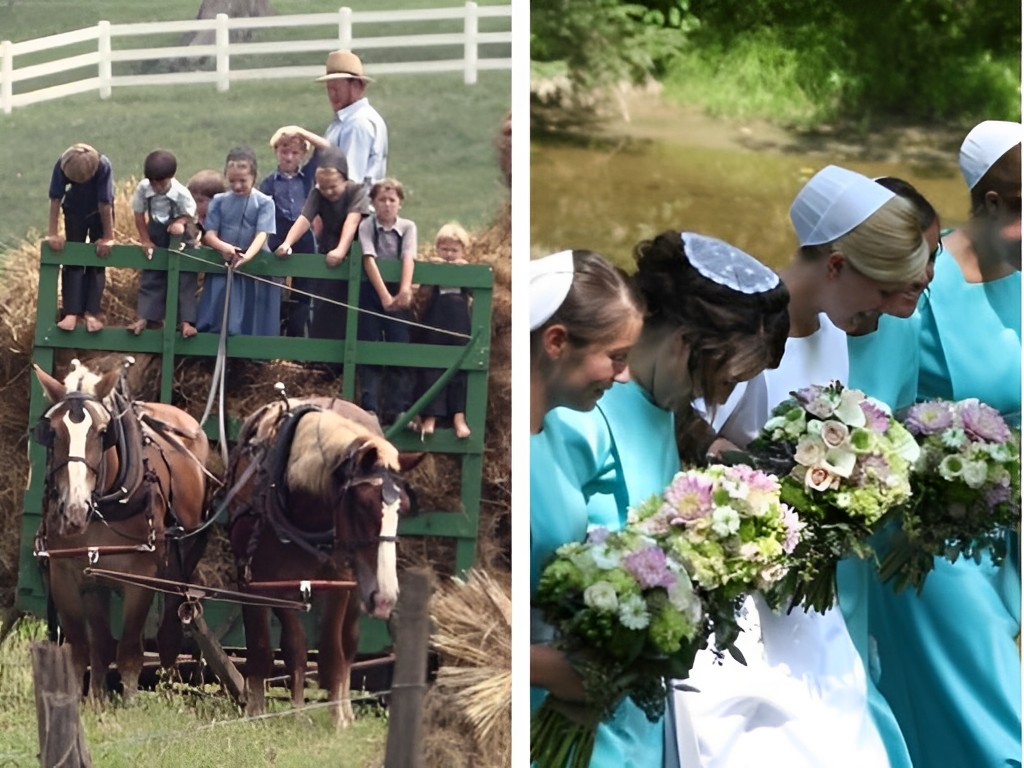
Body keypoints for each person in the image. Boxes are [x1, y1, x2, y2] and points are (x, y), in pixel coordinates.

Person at [679, 165, 929, 768]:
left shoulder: (832, 332)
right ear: (837, 266)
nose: (892, 309)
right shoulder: (744, 327)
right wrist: (781, 485)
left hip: (805, 590)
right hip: (741, 586)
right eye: (882, 289)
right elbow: (686, 444)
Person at [541, 232, 791, 767]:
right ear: (683, 342)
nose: (720, 398)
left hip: (630, 703)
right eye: (723, 377)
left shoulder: (662, 413)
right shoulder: (584, 410)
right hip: (566, 695)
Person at [861, 120, 1022, 768]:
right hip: (927, 532)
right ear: (993, 202)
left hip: (1003, 523)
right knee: (998, 721)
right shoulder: (925, 282)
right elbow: (874, 405)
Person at [530, 249, 646, 767]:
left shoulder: (563, 436)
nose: (623, 376)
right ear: (556, 342)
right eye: (615, 356)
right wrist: (550, 668)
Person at [274, 146, 368, 343]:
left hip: (357, 251)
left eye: (333, 186)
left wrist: (341, 251)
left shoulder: (357, 191)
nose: (328, 192)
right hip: (328, 250)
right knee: (325, 308)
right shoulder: (318, 193)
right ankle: (320, 362)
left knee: (356, 311)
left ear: (344, 179)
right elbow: (304, 218)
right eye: (323, 187)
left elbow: (352, 222)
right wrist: (287, 243)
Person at [272, 49, 388, 190]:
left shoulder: (357, 124)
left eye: (337, 89)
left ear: (356, 86)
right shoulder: (345, 121)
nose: (332, 95)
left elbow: (349, 178)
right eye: (329, 89)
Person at [195, 147, 279, 336]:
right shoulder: (219, 201)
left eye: (243, 181)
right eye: (232, 181)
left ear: (254, 177)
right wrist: (224, 247)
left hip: (254, 265)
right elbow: (210, 234)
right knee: (220, 313)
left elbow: (262, 234)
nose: (237, 186)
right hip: (224, 264)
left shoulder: (265, 203)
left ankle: (250, 356)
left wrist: (246, 256)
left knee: (252, 317)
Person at [356, 178, 416, 423]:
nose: (387, 205)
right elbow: (368, 258)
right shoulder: (367, 226)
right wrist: (384, 297)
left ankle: (398, 407)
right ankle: (370, 406)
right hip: (372, 290)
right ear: (373, 202)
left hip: (397, 290)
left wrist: (404, 290)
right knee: (369, 345)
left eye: (392, 200)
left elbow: (408, 256)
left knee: (399, 346)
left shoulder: (408, 227)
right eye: (382, 200)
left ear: (400, 203)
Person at [129, 149, 199, 338]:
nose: (156, 186)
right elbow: (138, 214)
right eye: (153, 182)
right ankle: (145, 317)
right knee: (151, 274)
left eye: (160, 183)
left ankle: (186, 322)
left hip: (181, 237)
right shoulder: (144, 188)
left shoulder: (181, 193)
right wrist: (145, 240)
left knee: (185, 279)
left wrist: (179, 223)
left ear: (170, 177)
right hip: (156, 232)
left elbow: (192, 214)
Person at [46, 143, 115, 332]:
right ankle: (71, 312)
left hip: (98, 212)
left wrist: (108, 236)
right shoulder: (62, 164)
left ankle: (92, 312)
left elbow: (105, 203)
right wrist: (53, 233)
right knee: (73, 257)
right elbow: (55, 198)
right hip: (74, 208)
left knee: (98, 259)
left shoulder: (103, 166)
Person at [417, 222, 473, 439]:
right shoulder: (435, 267)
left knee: (459, 371)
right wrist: (432, 271)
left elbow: (477, 291)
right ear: (437, 249)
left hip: (459, 326)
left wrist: (465, 271)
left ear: (463, 252)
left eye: (454, 250)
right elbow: (422, 294)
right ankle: (431, 416)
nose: (449, 255)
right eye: (445, 249)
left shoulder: (466, 270)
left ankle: (458, 417)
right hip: (436, 326)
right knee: (433, 369)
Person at [259, 131, 317, 337]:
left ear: (302, 154)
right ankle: (272, 335)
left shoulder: (309, 177)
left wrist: (299, 131)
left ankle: (297, 337)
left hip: (305, 238)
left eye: (295, 152)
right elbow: (262, 213)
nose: (289, 157)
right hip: (278, 235)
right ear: (276, 152)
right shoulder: (268, 183)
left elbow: (324, 149)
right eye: (284, 152)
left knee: (304, 291)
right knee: (274, 289)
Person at [184, 168, 226, 245]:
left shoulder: (219, 222)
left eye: (200, 201)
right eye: (191, 198)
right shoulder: (189, 218)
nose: (194, 204)